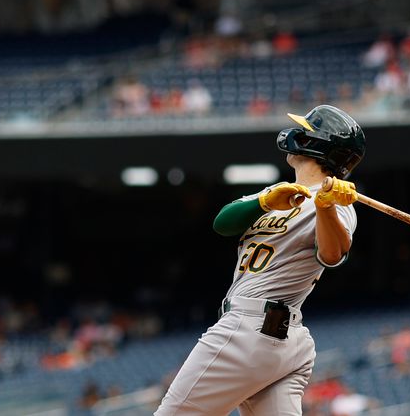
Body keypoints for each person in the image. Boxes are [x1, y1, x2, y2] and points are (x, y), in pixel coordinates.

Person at [155, 104, 365, 416]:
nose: (297, 132)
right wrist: (265, 201)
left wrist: (325, 206)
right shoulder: (277, 192)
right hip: (277, 339)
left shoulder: (339, 207)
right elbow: (222, 223)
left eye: (305, 130)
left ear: (316, 144)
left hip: (251, 327)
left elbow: (332, 255)